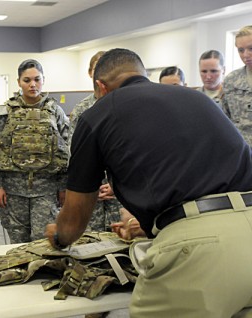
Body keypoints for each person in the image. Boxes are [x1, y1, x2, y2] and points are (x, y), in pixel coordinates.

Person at [45, 48, 252, 317]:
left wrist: (59, 237)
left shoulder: (98, 114)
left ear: (100, 86)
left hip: (200, 250)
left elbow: (74, 220)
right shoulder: (198, 99)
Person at [0, 59, 69, 243]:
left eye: (37, 79)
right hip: (14, 190)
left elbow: (66, 150)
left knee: (43, 242)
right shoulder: (6, 112)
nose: (33, 85)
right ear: (18, 82)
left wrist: (64, 186)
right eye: (27, 80)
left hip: (46, 190)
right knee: (18, 244)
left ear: (43, 80)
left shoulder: (55, 111)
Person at [69, 51, 122, 232]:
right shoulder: (82, 109)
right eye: (97, 67)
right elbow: (75, 150)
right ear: (90, 73)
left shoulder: (123, 104)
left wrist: (115, 185)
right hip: (92, 190)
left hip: (121, 191)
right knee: (91, 239)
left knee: (121, 237)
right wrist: (90, 184)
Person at [222, 25, 252, 144]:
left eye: (251, 48)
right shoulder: (231, 80)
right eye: (241, 50)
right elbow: (226, 117)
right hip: (240, 147)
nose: (245, 55)